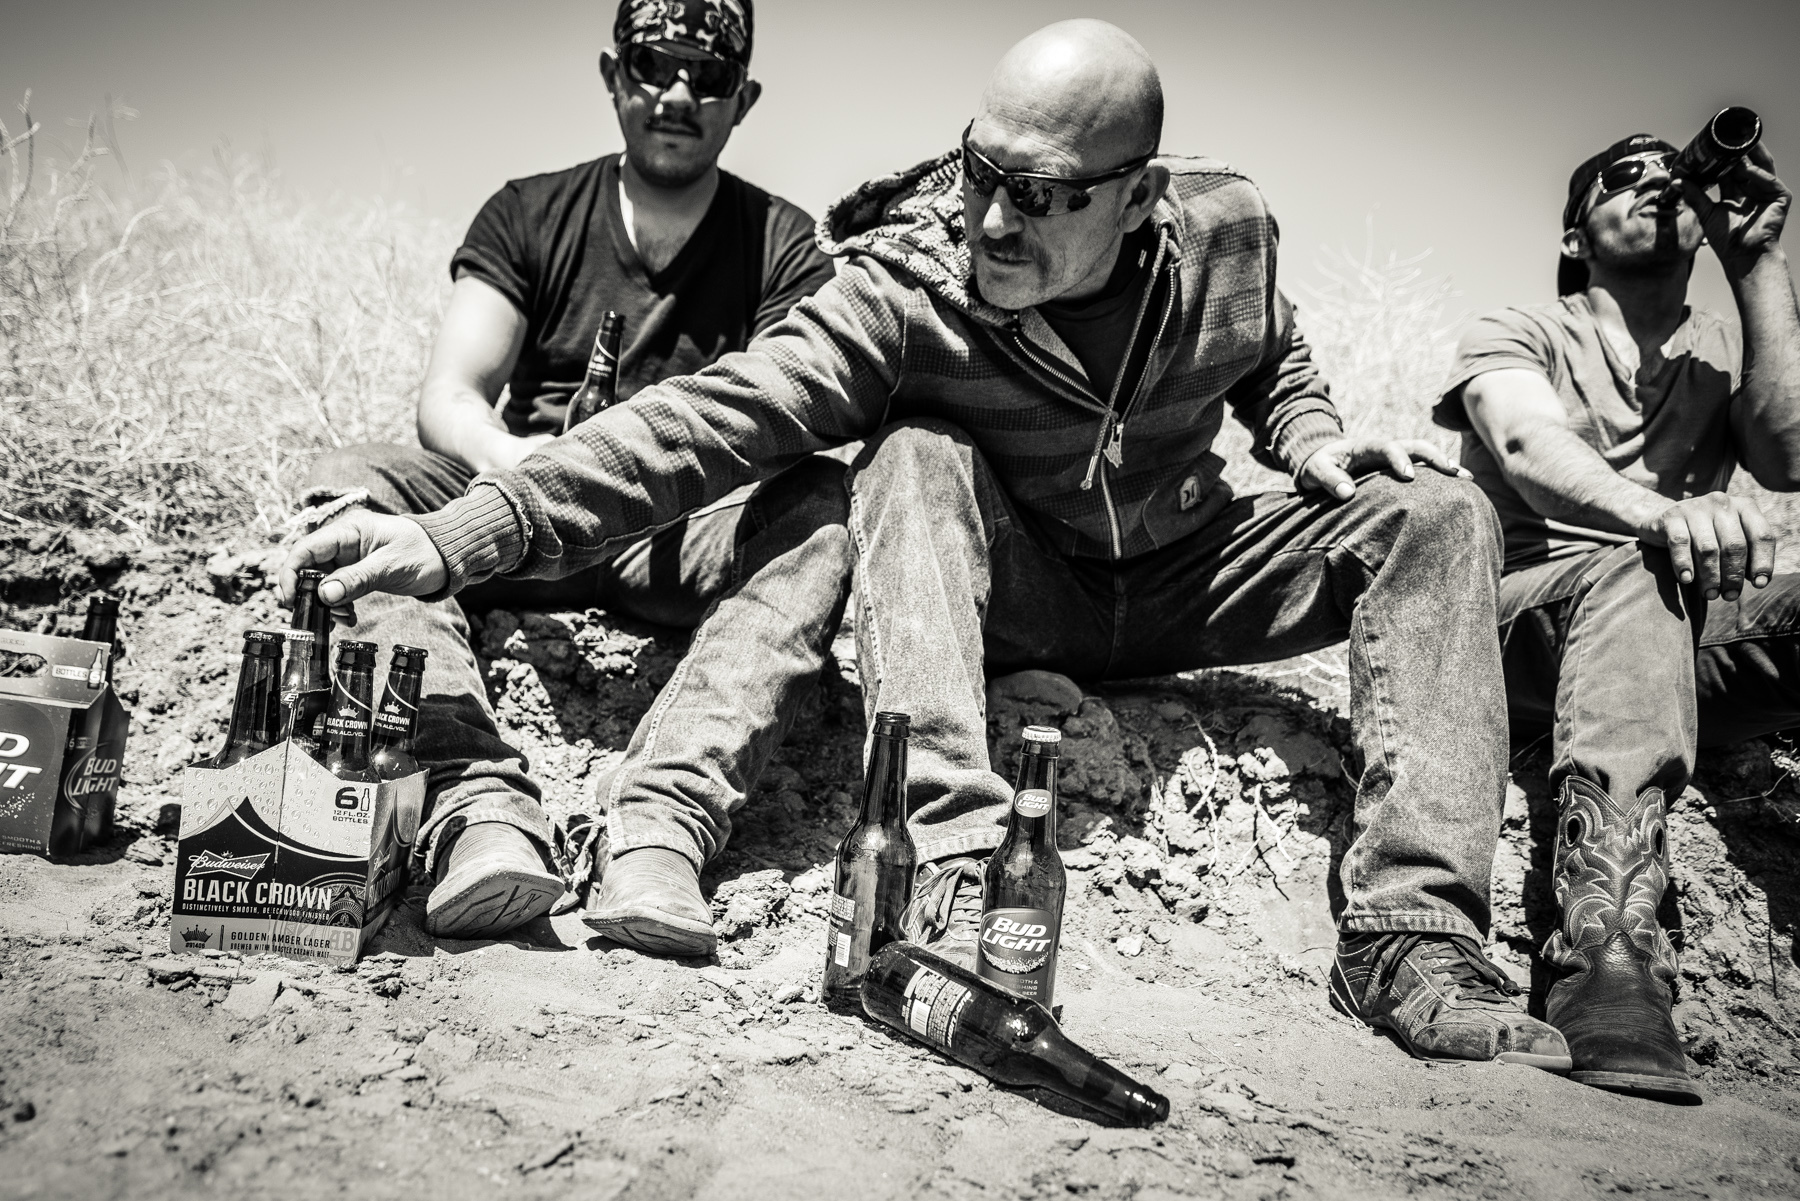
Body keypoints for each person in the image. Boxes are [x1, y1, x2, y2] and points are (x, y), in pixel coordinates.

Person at [284, 19, 1569, 1070]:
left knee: (1441, 511)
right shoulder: (907, 286)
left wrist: (1309, 438)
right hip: (1025, 587)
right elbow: (702, 424)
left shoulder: (1229, 230)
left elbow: (1268, 347)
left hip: (1192, 568)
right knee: (909, 452)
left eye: (1045, 197)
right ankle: (954, 872)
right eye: (980, 174)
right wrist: (466, 533)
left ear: (1139, 199)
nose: (995, 224)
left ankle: (1411, 938)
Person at [293, 0, 851, 948]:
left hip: (679, 537)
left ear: (743, 99)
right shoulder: (527, 210)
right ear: (611, 75)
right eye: (651, 65)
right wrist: (524, 473)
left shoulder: (785, 244)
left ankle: (660, 823)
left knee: (824, 507)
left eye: (707, 75)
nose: (677, 93)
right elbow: (451, 397)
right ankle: (473, 803)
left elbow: (790, 426)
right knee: (355, 478)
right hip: (509, 512)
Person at [1435, 132, 1800, 1103]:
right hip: (1520, 622)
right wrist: (1664, 517)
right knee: (1643, 567)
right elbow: (1524, 441)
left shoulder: (1718, 359)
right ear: (1574, 229)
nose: (1653, 186)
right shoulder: (1522, 329)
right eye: (1621, 177)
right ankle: (1605, 959)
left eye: (1667, 175)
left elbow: (1790, 450)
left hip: (1673, 641)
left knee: (1679, 583)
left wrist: (1758, 258)